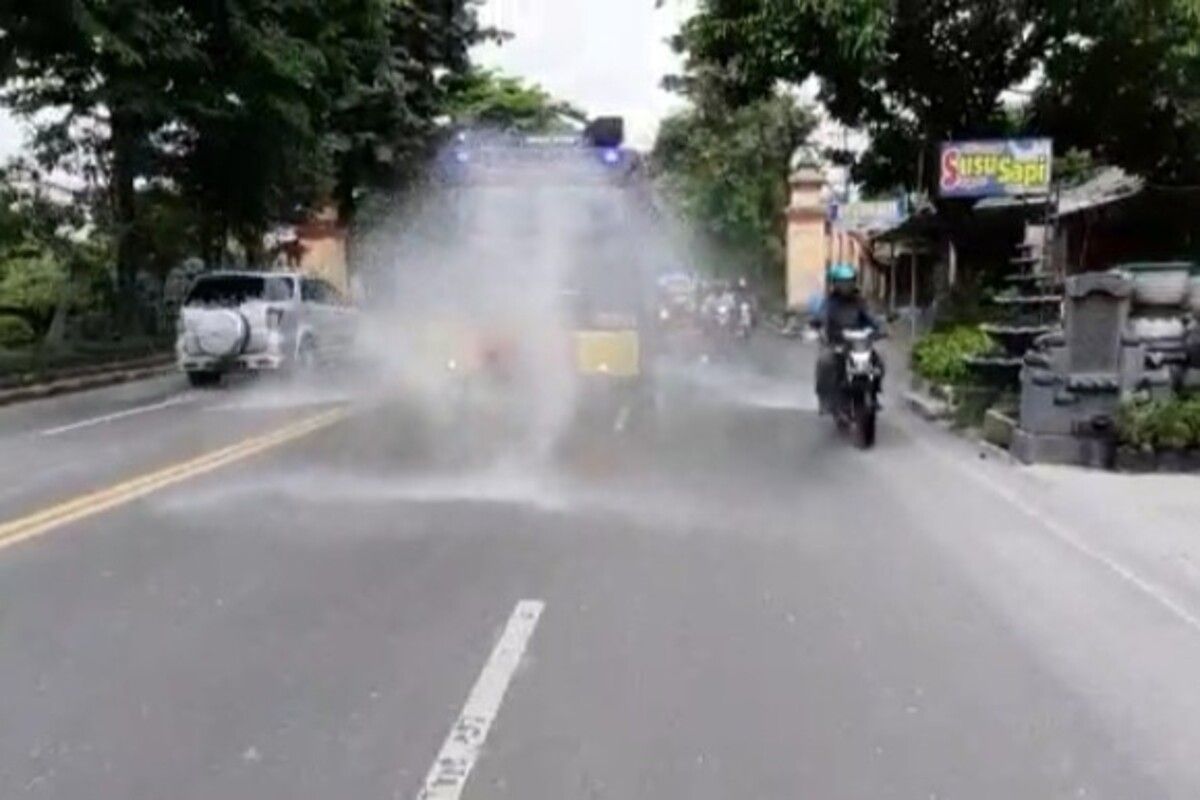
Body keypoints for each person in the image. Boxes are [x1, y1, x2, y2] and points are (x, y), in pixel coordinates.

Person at [814, 263, 882, 414]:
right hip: (836, 344)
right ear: (835, 284)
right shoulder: (829, 302)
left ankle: (874, 394)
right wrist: (819, 326)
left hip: (859, 344)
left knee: (878, 362)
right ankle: (825, 400)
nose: (846, 285)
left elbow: (871, 317)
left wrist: (879, 328)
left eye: (849, 281)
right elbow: (821, 316)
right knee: (825, 362)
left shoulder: (860, 301)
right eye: (842, 282)